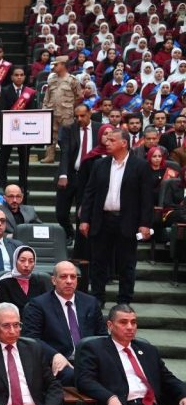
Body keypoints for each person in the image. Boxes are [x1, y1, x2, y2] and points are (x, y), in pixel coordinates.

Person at [80, 128, 153, 306]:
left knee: (126, 264)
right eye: (107, 139)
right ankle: (97, 299)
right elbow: (89, 193)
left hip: (127, 221)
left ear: (124, 143)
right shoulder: (100, 164)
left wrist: (145, 223)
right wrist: (84, 219)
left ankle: (124, 301)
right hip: (102, 219)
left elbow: (147, 198)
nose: (107, 142)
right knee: (98, 263)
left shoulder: (140, 166)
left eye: (112, 140)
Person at [22, 260, 104, 384]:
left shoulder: (90, 302)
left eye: (73, 277)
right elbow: (32, 338)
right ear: (54, 280)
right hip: (60, 360)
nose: (69, 281)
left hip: (89, 360)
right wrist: (54, 355)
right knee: (78, 377)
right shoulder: (39, 305)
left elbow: (102, 335)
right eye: (64, 277)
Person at [56, 104, 100, 238]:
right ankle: (70, 234)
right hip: (70, 174)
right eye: (76, 116)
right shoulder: (68, 129)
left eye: (82, 115)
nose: (79, 119)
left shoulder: (99, 129)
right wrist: (63, 175)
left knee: (82, 213)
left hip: (89, 177)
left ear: (90, 113)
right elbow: (65, 152)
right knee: (61, 213)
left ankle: (80, 242)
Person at [40, 55, 82, 165]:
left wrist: (71, 107)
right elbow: (47, 96)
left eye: (56, 65)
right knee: (51, 135)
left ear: (63, 65)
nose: (53, 67)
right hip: (52, 111)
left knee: (67, 136)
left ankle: (67, 158)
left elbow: (79, 96)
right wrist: (45, 108)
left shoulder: (72, 80)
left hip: (66, 113)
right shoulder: (52, 79)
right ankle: (50, 156)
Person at [0, 245, 47, 311]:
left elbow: (45, 307)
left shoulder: (39, 282)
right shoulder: (4, 283)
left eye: (31, 261)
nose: (26, 265)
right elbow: (6, 310)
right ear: (15, 261)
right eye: (22, 260)